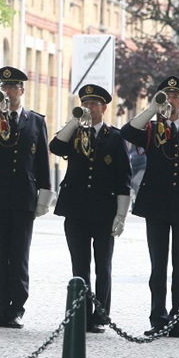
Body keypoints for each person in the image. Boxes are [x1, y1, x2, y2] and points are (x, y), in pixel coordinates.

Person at [120, 76, 179, 338]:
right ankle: (158, 318)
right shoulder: (151, 129)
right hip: (157, 206)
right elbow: (127, 133)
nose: (170, 100)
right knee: (158, 267)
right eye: (166, 96)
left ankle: (178, 321)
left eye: (175, 96)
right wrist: (152, 108)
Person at [0, 66, 54, 329]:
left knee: (19, 256)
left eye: (11, 87)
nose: (7, 92)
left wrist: (44, 195)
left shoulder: (35, 121)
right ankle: (0, 309)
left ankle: (16, 309)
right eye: (3, 87)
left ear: (21, 90)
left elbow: (41, 160)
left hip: (23, 196)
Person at [49, 84, 132, 333]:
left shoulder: (115, 137)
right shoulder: (74, 132)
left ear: (104, 108)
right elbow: (55, 147)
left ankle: (101, 314)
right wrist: (74, 122)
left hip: (104, 211)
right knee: (80, 265)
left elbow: (124, 178)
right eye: (85, 104)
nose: (89, 108)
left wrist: (121, 215)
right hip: (76, 210)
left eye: (94, 104)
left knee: (103, 266)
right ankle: (81, 313)